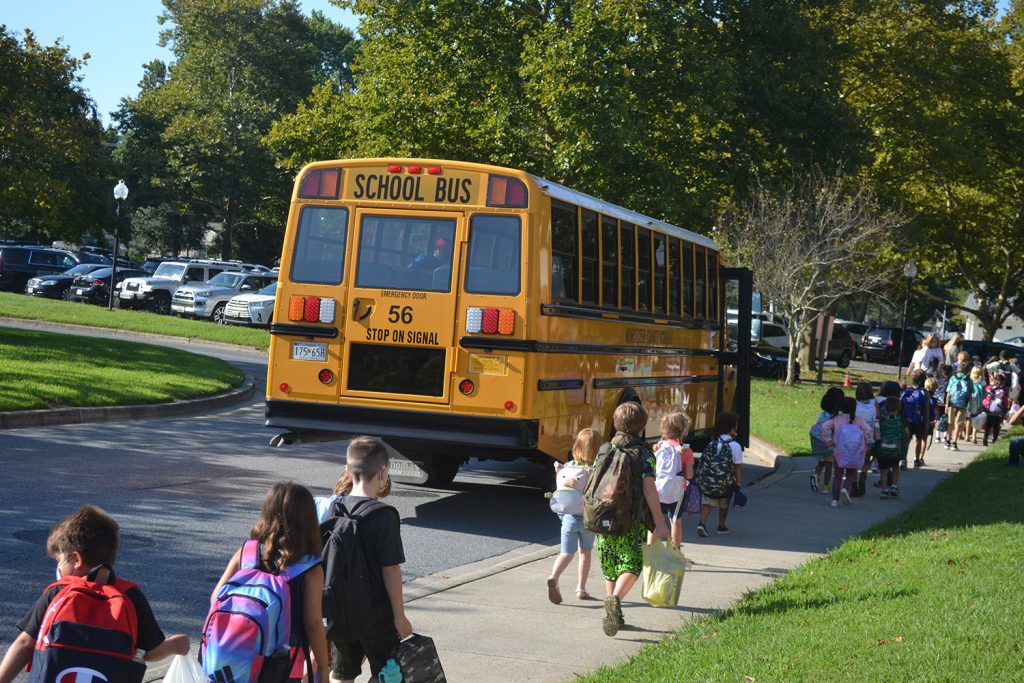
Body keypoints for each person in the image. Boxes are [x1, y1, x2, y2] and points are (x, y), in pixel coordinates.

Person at [0, 506, 189, 683]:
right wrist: (175, 645)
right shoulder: (130, 594)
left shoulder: (59, 592)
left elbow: (25, 643)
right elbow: (150, 651)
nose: (58, 567)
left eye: (59, 560)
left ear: (76, 560)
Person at [211, 483, 329, 683]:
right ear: (308, 520)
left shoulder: (247, 553)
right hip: (283, 663)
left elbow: (216, 598)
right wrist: (324, 667)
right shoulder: (310, 568)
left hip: (237, 656)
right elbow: (313, 623)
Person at [324, 437, 412, 683]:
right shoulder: (384, 515)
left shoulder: (336, 507)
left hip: (341, 610)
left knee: (342, 674)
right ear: (383, 473)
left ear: (347, 471)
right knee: (390, 673)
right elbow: (390, 569)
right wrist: (399, 615)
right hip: (377, 615)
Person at [595, 402, 669, 637]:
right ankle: (615, 600)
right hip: (630, 521)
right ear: (642, 426)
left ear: (616, 423)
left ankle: (613, 611)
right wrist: (659, 522)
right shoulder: (644, 454)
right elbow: (650, 490)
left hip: (603, 518)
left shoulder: (605, 448)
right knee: (632, 564)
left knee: (611, 563)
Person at [547, 428, 598, 604]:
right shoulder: (593, 470)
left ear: (576, 446)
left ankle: (554, 577)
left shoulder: (566, 467)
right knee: (585, 554)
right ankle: (581, 589)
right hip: (587, 520)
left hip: (568, 518)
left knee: (566, 553)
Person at [650, 412, 695, 546]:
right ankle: (675, 551)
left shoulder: (658, 447)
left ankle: (650, 551)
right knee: (676, 520)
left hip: (657, 489)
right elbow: (689, 475)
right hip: (676, 492)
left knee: (655, 520)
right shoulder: (686, 451)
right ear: (683, 431)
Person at [696, 411, 744, 536]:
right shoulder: (735, 446)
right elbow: (737, 467)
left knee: (708, 502)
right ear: (731, 428)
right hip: (726, 482)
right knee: (724, 503)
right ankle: (721, 526)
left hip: (710, 480)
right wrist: (738, 483)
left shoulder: (711, 444)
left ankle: (702, 523)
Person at [822, 397, 873, 508]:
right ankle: (845, 488)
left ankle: (834, 500)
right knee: (852, 474)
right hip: (854, 452)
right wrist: (864, 440)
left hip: (839, 451)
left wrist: (830, 441)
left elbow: (824, 427)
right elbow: (868, 430)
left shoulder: (836, 419)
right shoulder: (858, 420)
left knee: (838, 476)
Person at [809, 387, 845, 493]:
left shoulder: (822, 414)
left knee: (821, 462)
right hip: (829, 442)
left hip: (818, 440)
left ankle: (815, 475)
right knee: (829, 464)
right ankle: (825, 486)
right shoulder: (836, 417)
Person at [901, 369, 932, 470]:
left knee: (907, 440)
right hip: (919, 421)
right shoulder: (925, 393)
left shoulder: (907, 392)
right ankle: (917, 459)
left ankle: (903, 459)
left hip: (907, 420)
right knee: (918, 440)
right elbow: (927, 410)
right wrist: (927, 424)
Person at [876, 396, 905, 498]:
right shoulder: (900, 421)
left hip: (883, 449)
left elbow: (878, 432)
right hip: (895, 450)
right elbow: (904, 434)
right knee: (896, 468)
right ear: (899, 408)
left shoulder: (883, 420)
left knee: (884, 471)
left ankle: (884, 490)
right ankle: (894, 486)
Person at [853, 382, 878, 496]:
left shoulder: (854, 404)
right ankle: (863, 474)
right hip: (869, 436)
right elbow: (877, 418)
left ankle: (853, 481)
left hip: (855, 436)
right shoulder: (874, 403)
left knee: (853, 461)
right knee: (867, 459)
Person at [944, 361, 973, 450]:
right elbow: (970, 395)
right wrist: (969, 407)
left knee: (950, 423)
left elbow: (948, 392)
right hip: (963, 404)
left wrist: (946, 404)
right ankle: (954, 443)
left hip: (952, 403)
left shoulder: (953, 378)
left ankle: (947, 441)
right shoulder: (969, 380)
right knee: (958, 424)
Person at [983, 372, 1010, 446]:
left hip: (993, 409)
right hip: (996, 410)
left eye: (998, 380)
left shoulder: (992, 388)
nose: (997, 381)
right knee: (994, 425)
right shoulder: (1004, 389)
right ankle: (990, 439)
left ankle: (989, 438)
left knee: (991, 425)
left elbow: (987, 391)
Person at [967, 364, 986, 444]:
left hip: (969, 402)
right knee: (976, 419)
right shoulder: (983, 382)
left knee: (968, 418)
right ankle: (974, 436)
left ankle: (967, 435)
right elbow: (984, 393)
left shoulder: (969, 381)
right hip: (978, 403)